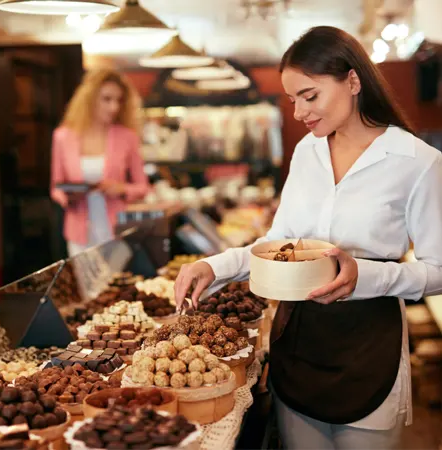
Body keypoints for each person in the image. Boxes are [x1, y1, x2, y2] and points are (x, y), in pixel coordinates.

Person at [174, 26, 442, 449]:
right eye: (292, 99)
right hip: (297, 341)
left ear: (353, 81)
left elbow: (438, 271)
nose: (299, 112)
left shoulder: (418, 162)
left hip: (369, 348)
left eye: (310, 96)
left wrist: (366, 277)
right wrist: (215, 266)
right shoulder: (307, 152)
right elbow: (280, 242)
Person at [51, 68, 150, 256]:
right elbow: (56, 187)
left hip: (116, 231)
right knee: (86, 285)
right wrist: (69, 197)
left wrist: (120, 188)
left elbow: (142, 187)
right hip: (78, 232)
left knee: (116, 284)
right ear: (89, 99)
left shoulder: (127, 137)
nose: (114, 107)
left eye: (119, 100)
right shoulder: (63, 137)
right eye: (107, 99)